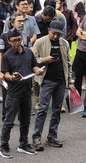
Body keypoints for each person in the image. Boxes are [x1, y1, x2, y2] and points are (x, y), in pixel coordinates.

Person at [0, 29, 43, 158]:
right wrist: (11, 77)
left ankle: (23, 144)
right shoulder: (7, 56)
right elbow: (5, 73)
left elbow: (33, 66)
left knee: (25, 120)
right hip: (13, 92)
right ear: (9, 41)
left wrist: (38, 70)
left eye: (19, 39)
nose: (17, 43)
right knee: (9, 121)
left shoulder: (28, 52)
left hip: (26, 91)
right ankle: (3, 146)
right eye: (14, 41)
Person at [31, 20, 74, 150]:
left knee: (57, 110)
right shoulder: (40, 42)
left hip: (61, 81)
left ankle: (52, 136)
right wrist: (45, 60)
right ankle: (36, 138)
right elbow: (32, 60)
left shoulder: (64, 43)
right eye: (54, 33)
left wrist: (70, 81)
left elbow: (68, 62)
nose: (56, 36)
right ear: (49, 30)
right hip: (46, 80)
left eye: (58, 34)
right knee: (42, 109)